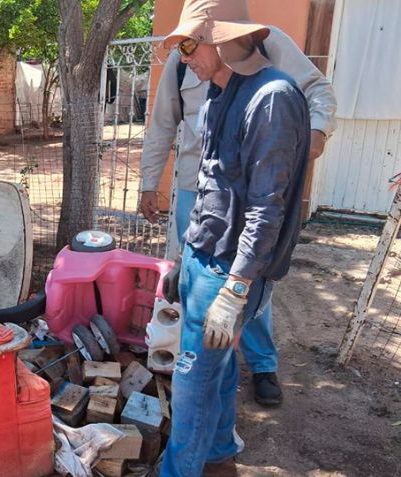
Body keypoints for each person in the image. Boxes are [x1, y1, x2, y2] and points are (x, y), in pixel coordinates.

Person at [141, 0, 337, 407]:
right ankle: (204, 368)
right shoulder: (185, 58)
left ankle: (262, 364)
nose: (187, 52)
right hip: (195, 188)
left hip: (247, 192)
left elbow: (317, 89)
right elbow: (162, 123)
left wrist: (311, 138)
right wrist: (148, 185)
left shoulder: (262, 45)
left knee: (242, 280)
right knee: (195, 288)